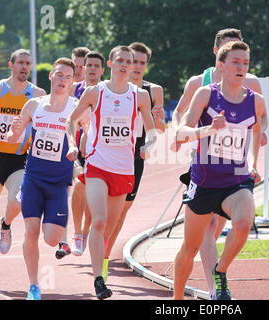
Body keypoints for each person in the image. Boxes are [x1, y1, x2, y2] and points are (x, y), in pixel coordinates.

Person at [171, 28, 266, 300]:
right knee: (189, 248)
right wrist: (207, 130)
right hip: (203, 181)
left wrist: (254, 164)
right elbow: (181, 132)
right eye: (236, 62)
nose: (241, 67)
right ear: (221, 66)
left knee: (244, 223)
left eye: (245, 63)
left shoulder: (255, 100)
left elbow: (258, 131)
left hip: (236, 179)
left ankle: (220, 271)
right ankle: (177, 299)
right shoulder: (205, 94)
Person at [66, 45, 156, 299]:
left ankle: (102, 265)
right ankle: (97, 280)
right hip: (97, 164)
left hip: (124, 167)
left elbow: (152, 129)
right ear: (110, 64)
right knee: (100, 220)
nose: (126, 65)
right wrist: (73, 145)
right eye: (121, 61)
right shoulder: (96, 92)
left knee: (110, 227)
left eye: (130, 61)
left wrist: (148, 145)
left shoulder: (140, 96)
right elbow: (71, 120)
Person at [0, 49, 46, 289]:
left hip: (19, 159)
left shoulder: (37, 94)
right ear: (11, 65)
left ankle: (6, 224)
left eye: (28, 63)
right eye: (21, 63)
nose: (25, 67)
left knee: (18, 199)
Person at [7, 57, 77, 300]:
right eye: (59, 75)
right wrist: (14, 130)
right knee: (31, 230)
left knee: (51, 239)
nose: (62, 80)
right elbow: (14, 138)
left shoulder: (76, 108)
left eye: (67, 77)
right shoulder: (33, 105)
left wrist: (80, 151)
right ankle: (34, 286)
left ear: (72, 81)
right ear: (50, 76)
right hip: (33, 178)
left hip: (58, 182)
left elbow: (89, 134)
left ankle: (59, 235)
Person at [102, 42, 165, 282]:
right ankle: (97, 244)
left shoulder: (153, 90)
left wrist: (158, 120)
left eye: (141, 63)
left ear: (146, 66)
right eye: (133, 62)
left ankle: (105, 256)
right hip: (108, 152)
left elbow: (159, 128)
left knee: (121, 213)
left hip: (135, 156)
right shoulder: (111, 88)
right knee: (102, 210)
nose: (136, 67)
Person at [54, 47, 91, 259]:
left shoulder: (95, 90)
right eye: (74, 66)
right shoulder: (67, 88)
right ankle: (65, 240)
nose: (78, 70)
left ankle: (83, 234)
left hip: (88, 151)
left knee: (84, 196)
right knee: (64, 194)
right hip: (66, 151)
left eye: (81, 67)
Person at [69, 50, 105, 257]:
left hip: (99, 149)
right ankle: (76, 232)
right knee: (80, 186)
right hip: (77, 148)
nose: (90, 69)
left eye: (94, 66)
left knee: (92, 192)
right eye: (87, 66)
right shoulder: (73, 89)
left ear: (102, 69)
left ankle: (84, 232)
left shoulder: (106, 90)